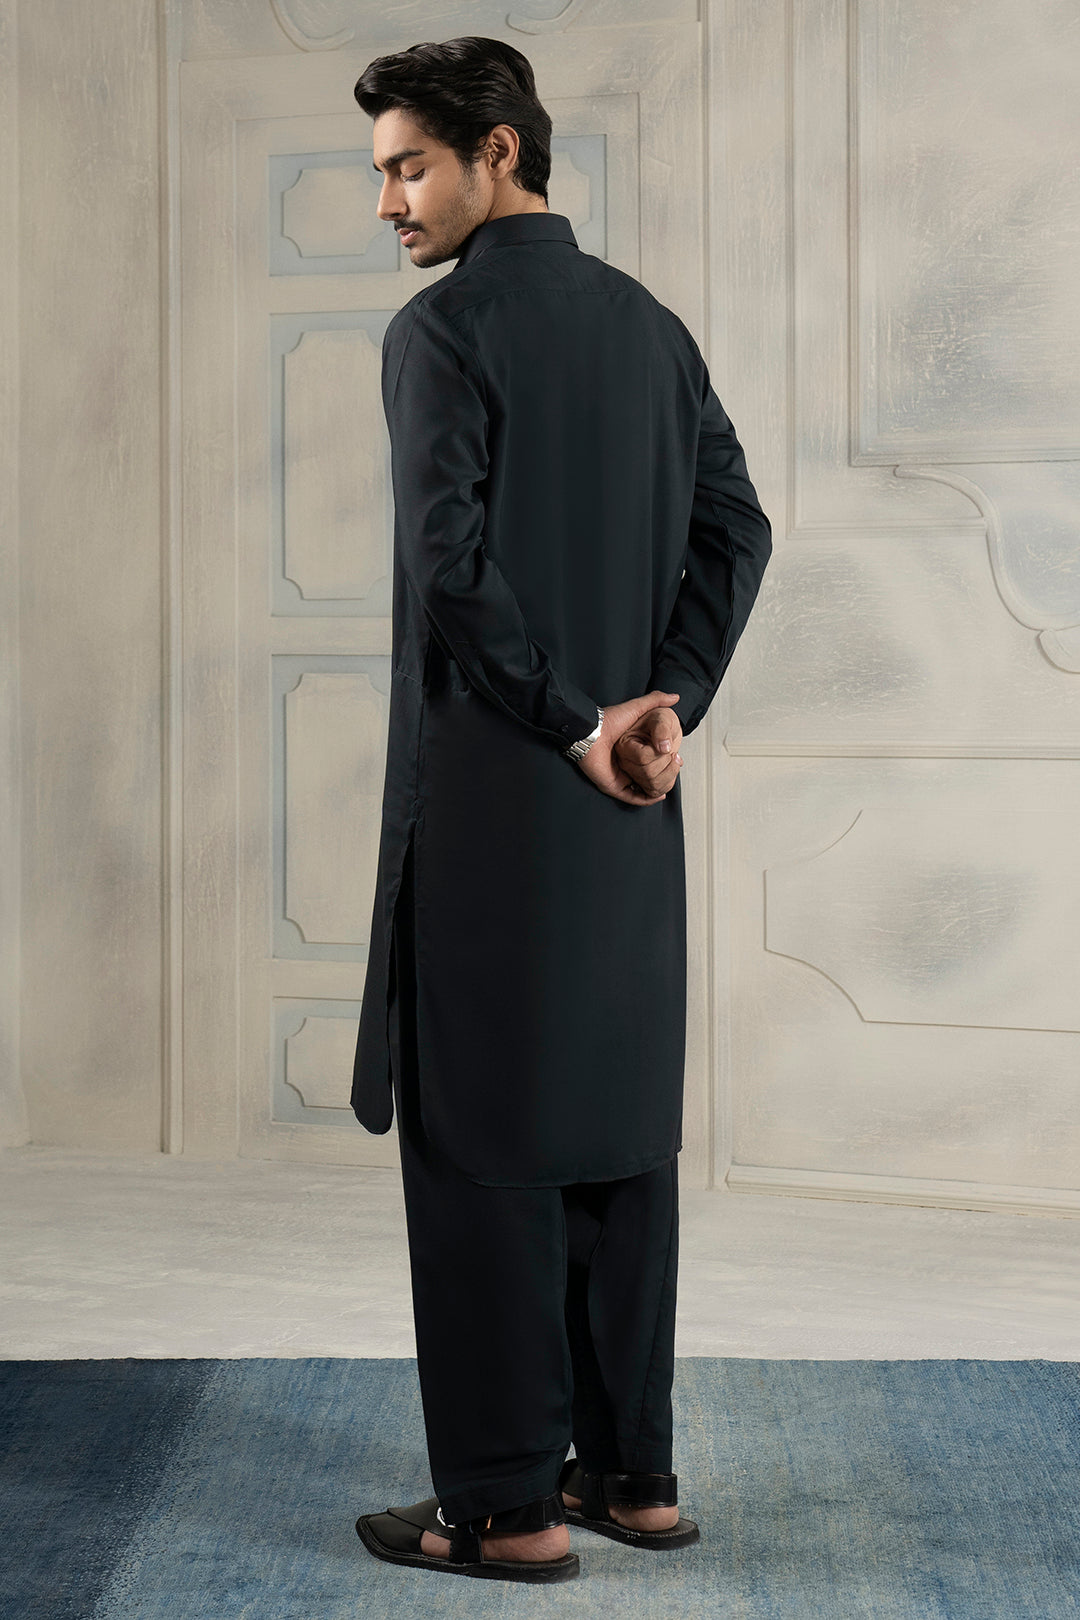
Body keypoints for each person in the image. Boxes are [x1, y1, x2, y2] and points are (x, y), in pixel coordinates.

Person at [349, 36, 773, 1585]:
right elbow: (738, 529)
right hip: (629, 806)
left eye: (410, 165)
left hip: (496, 803)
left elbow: (449, 570)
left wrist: (579, 721)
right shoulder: (651, 327)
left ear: (500, 153)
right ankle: (633, 1478)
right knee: (614, 1140)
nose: (388, 201)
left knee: (482, 1151)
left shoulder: (442, 332)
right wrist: (666, 704)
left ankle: (503, 1510)